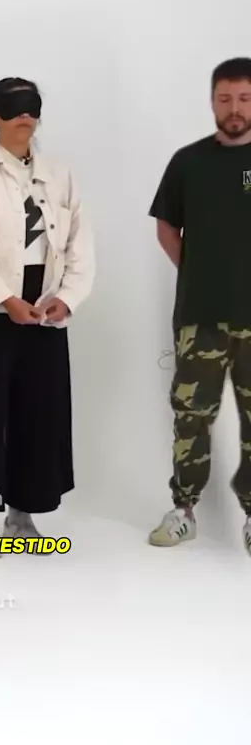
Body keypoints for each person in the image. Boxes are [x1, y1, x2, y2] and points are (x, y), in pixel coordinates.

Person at [0, 77, 95, 556]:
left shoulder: (59, 176)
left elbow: (80, 244)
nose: (24, 117)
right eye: (12, 109)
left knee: (37, 413)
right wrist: (6, 300)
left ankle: (21, 511)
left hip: (44, 311)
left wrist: (67, 298)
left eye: (31, 108)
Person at [148, 57, 251, 554]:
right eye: (225, 98)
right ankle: (184, 509)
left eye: (245, 99)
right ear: (212, 101)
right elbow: (166, 227)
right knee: (191, 417)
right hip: (200, 318)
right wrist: (199, 272)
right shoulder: (188, 162)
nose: (235, 109)